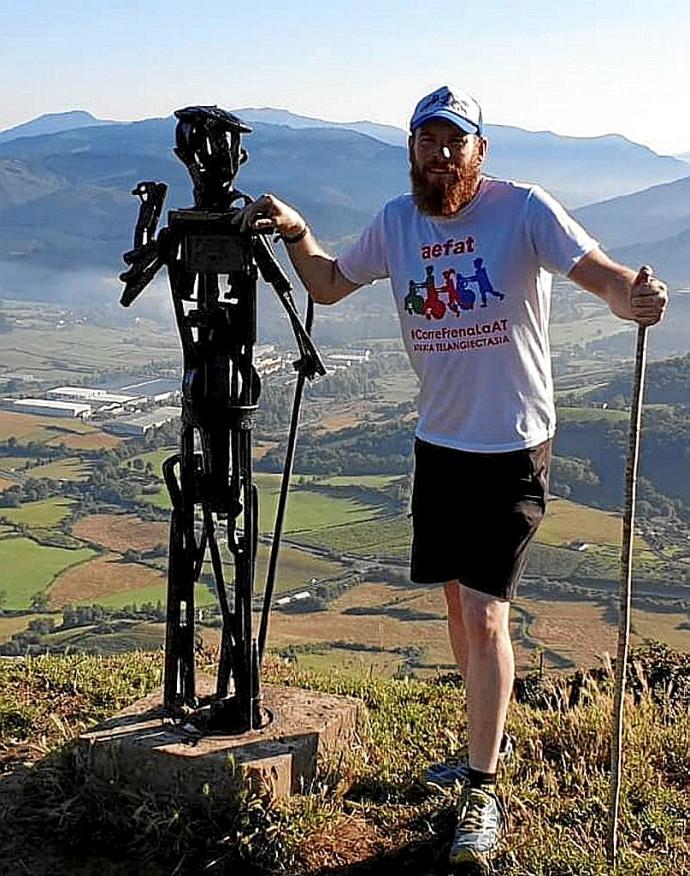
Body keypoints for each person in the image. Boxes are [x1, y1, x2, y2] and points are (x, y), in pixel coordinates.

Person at [235, 85, 668, 871]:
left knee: (484, 612)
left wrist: (629, 299)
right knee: (454, 602)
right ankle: (482, 736)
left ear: (480, 150)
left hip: (512, 446)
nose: (441, 155)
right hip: (439, 443)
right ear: (410, 150)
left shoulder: (522, 208)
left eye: (455, 142)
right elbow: (329, 284)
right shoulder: (398, 224)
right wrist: (298, 232)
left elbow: (598, 272)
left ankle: (482, 788)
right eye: (428, 141)